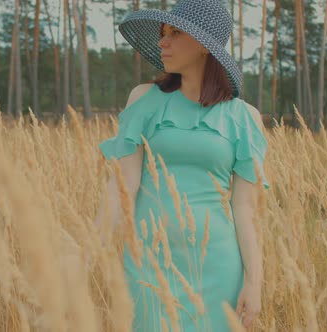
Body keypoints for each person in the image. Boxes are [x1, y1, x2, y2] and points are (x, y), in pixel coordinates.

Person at [93, 0, 271, 331]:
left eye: (174, 33)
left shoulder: (244, 118)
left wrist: (254, 282)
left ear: (204, 45)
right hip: (149, 263)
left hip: (218, 268)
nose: (163, 42)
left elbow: (244, 210)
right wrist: (90, 250)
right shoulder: (145, 99)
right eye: (163, 33)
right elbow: (123, 187)